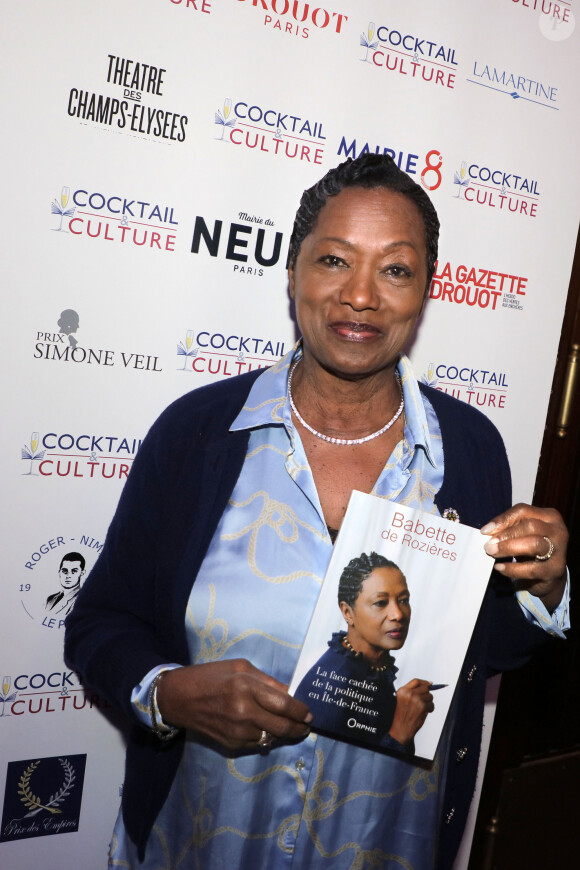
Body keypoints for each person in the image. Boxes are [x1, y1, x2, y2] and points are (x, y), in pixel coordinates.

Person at [64, 153, 569, 870]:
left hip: (382, 847)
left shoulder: (468, 447)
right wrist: (167, 694)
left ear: (426, 290)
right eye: (334, 260)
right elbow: (100, 620)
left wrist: (544, 589)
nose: (360, 296)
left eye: (395, 269)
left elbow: (482, 649)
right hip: (203, 846)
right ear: (292, 273)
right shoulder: (197, 433)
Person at [294, 552, 433, 751]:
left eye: (403, 600)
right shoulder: (333, 686)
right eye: (380, 603)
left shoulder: (370, 665)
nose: (398, 614)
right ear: (348, 613)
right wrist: (400, 733)